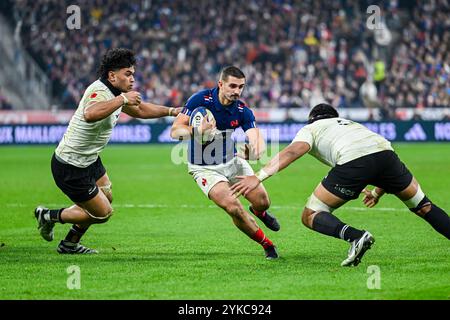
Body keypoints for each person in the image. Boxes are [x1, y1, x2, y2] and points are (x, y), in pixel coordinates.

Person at [231, 103, 449, 266]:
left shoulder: (312, 128)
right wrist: (377, 192)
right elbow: (380, 159)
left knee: (311, 214)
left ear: (311, 119)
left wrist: (257, 177)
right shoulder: (352, 125)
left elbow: (292, 151)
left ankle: (355, 236)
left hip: (354, 161)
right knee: (424, 206)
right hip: (387, 156)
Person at [34, 48, 181, 254]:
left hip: (90, 159)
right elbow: (90, 114)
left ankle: (69, 244)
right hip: (71, 165)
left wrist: (172, 111)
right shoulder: (100, 91)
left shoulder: (116, 94)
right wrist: (122, 99)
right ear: (112, 75)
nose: (132, 79)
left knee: (107, 197)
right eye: (127, 74)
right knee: (103, 213)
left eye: (133, 74)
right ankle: (48, 216)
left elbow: (140, 110)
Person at [170, 66, 280, 260]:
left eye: (241, 87)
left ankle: (259, 213)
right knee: (233, 207)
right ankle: (267, 244)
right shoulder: (199, 100)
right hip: (204, 169)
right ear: (221, 84)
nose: (237, 91)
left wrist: (256, 151)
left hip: (232, 162)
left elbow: (257, 139)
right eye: (233, 86)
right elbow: (175, 131)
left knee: (263, 202)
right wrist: (197, 131)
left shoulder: (242, 110)